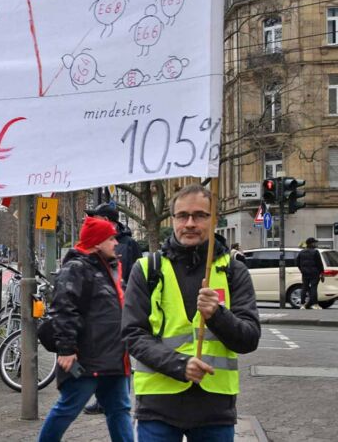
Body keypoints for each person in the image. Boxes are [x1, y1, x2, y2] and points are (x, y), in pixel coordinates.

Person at [122, 184, 261, 441]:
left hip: (215, 409)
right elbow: (133, 334)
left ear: (214, 220)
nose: (189, 223)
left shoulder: (232, 270)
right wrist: (180, 365)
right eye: (182, 216)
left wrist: (218, 315)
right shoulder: (147, 269)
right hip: (158, 406)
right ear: (173, 219)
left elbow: (249, 338)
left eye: (199, 215)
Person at [38, 217, 134, 442]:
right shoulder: (77, 268)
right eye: (111, 238)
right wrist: (66, 349)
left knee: (119, 410)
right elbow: (64, 310)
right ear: (97, 242)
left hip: (114, 357)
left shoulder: (109, 267)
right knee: (68, 409)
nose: (115, 243)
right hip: (88, 358)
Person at [81, 202, 141, 416]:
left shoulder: (128, 244)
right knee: (108, 355)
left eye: (99, 218)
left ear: (108, 221)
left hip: (123, 307)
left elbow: (137, 275)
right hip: (104, 308)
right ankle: (108, 400)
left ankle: (118, 400)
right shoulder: (101, 242)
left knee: (120, 355)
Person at [296, 237, 324, 309]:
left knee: (304, 288)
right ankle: (315, 304)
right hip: (315, 273)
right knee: (313, 288)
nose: (315, 244)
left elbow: (297, 263)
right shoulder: (315, 252)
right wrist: (322, 273)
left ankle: (302, 305)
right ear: (311, 244)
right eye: (314, 243)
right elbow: (319, 264)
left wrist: (302, 270)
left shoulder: (301, 252)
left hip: (305, 273)